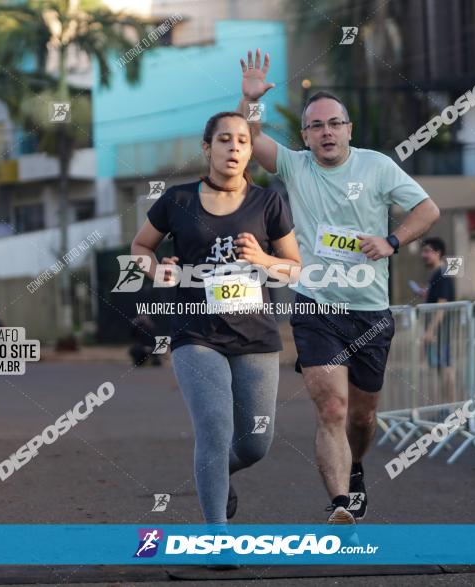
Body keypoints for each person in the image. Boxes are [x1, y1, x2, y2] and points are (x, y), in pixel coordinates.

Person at [238, 49, 440, 524]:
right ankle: (339, 503)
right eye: (316, 126)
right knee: (331, 406)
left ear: (348, 129)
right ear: (305, 136)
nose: (326, 132)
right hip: (315, 304)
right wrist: (251, 102)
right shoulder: (294, 167)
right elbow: (254, 140)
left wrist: (391, 240)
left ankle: (357, 468)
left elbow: (428, 211)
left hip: (370, 309)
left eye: (334, 124)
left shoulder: (378, 167)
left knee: (362, 418)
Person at [130, 111, 302, 527]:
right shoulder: (178, 201)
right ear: (207, 147)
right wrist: (158, 271)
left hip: (256, 336)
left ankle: (215, 475)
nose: (234, 148)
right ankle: (217, 533)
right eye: (224, 140)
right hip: (196, 334)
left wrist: (263, 259)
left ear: (250, 152)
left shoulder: (268, 201)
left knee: (256, 444)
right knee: (214, 429)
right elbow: (140, 248)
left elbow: (294, 267)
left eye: (242, 141)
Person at [420, 237, 457, 408]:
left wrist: (431, 331)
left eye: (427, 251)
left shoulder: (442, 274)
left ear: (438, 253)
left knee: (446, 368)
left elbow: (442, 305)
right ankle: (445, 409)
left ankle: (451, 408)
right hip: (438, 331)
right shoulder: (437, 274)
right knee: (441, 368)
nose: (423, 255)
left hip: (440, 331)